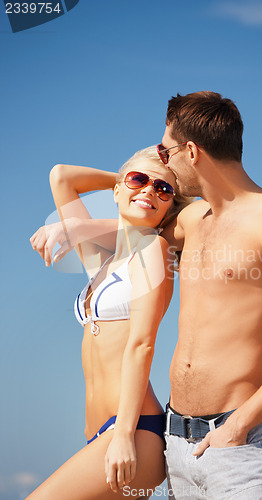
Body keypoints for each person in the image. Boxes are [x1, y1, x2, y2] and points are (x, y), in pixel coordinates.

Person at [32, 91, 262, 500]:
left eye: (165, 149)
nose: (163, 159)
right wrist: (77, 229)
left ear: (191, 151)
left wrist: (240, 425)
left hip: (237, 446)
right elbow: (137, 233)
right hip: (177, 445)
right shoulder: (192, 220)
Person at [28, 146, 191, 500]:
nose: (150, 190)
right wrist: (125, 182)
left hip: (133, 433)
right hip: (100, 434)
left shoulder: (153, 250)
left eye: (164, 190)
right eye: (139, 180)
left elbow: (143, 344)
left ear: (169, 207)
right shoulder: (103, 265)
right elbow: (62, 176)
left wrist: (121, 436)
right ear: (117, 190)